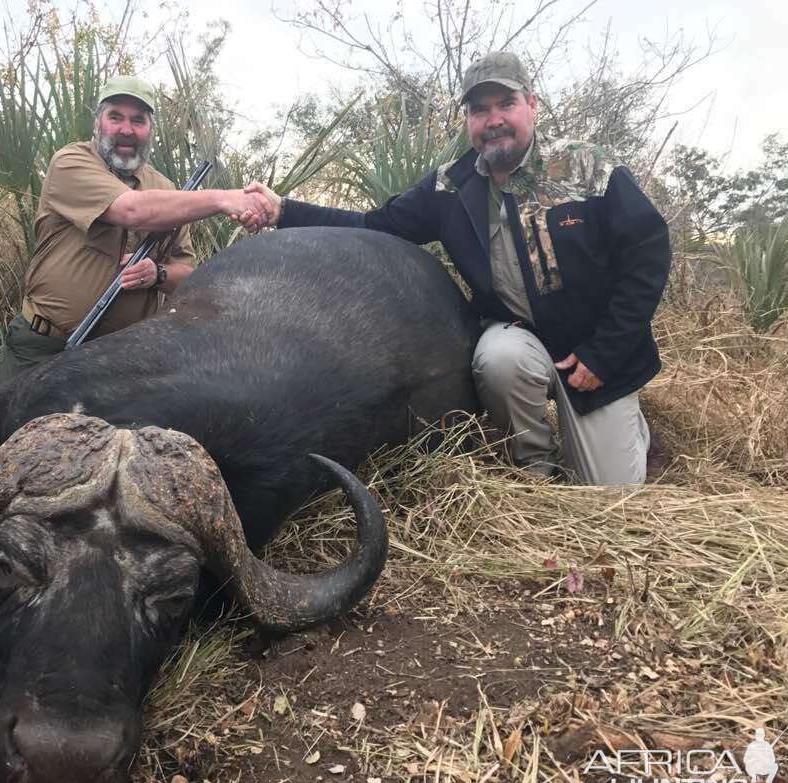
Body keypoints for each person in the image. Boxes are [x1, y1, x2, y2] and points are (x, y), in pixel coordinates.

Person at [245, 52, 670, 485]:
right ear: (468, 119)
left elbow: (648, 251)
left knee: (609, 492)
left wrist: (608, 351)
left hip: (595, 350)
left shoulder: (587, 166)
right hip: (521, 339)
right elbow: (374, 226)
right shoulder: (450, 185)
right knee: (498, 359)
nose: (494, 120)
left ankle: (633, 433)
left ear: (532, 105)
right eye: (480, 110)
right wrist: (283, 210)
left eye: (506, 104)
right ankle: (535, 470)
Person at [0, 75, 275, 387]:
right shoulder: (70, 162)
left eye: (138, 120)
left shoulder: (166, 190)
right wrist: (223, 198)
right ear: (97, 123)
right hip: (44, 348)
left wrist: (158, 274)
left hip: (122, 360)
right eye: (116, 117)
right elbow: (132, 210)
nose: (126, 129)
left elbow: (187, 273)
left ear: (150, 129)